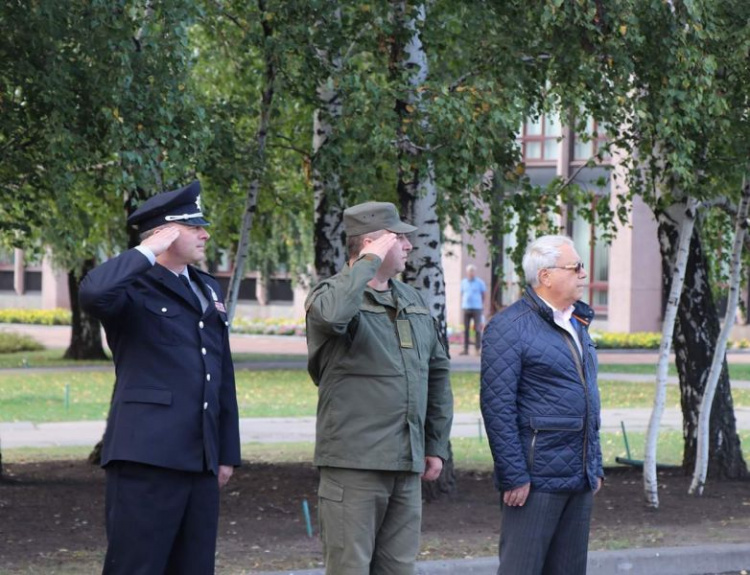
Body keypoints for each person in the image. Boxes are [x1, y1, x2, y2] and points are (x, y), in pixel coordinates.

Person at [79, 180, 241, 575]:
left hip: (199, 456)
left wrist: (226, 450)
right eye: (193, 226)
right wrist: (145, 251)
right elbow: (92, 294)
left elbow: (220, 372)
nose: (205, 233)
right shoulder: (131, 285)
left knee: (194, 566)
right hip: (146, 457)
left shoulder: (205, 285)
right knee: (137, 565)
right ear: (165, 233)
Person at [305, 201, 454, 575]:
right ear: (372, 243)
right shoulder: (330, 295)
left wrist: (435, 444)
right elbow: (336, 316)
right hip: (354, 465)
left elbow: (437, 373)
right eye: (399, 237)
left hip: (404, 464)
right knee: (349, 569)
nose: (408, 245)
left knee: (398, 569)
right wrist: (368, 262)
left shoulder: (412, 300)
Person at [480, 234, 603, 575]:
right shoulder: (509, 327)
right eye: (575, 267)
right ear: (546, 276)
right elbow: (497, 407)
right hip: (535, 482)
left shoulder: (577, 322)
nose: (583, 274)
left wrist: (594, 465)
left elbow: (588, 400)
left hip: (578, 477)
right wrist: (514, 475)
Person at [459, 264, 486, 356]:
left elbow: (483, 295)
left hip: (477, 308)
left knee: (477, 329)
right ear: (467, 273)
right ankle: (465, 349)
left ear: (475, 272)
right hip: (466, 308)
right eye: (470, 271)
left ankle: (477, 349)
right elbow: (462, 294)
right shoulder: (463, 282)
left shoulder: (480, 282)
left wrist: (481, 305)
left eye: (473, 271)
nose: (471, 273)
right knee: (466, 329)